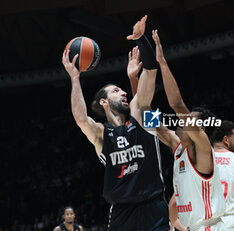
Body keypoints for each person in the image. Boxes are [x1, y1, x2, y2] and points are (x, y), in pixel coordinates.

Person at [62, 15, 169, 231]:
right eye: (115, 90)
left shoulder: (142, 117)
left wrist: (141, 39)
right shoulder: (103, 134)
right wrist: (74, 78)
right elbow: (81, 119)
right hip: (122, 212)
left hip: (154, 207)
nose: (122, 92)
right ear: (103, 101)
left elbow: (150, 73)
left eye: (123, 89)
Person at [150, 29, 226, 231]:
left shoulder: (202, 149)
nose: (183, 120)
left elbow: (176, 103)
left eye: (190, 118)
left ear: (200, 128)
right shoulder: (179, 147)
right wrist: (136, 78)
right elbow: (146, 117)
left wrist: (161, 62)